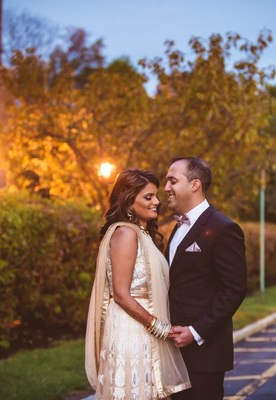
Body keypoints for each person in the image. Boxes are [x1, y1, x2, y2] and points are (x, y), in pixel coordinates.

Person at [85, 168, 191, 399]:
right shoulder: (126, 234)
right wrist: (158, 326)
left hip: (144, 325)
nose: (157, 202)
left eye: (155, 196)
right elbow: (121, 294)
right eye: (148, 197)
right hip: (131, 328)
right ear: (129, 201)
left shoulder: (142, 234)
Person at [165, 157, 247, 400]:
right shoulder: (178, 227)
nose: (166, 187)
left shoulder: (223, 229)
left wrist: (195, 331)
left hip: (204, 353)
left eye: (172, 181)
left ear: (194, 184)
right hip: (173, 350)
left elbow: (234, 289)